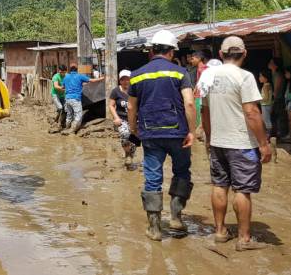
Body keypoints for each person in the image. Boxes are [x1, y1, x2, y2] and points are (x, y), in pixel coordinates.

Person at [202, 36, 272, 251]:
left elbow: (205, 111)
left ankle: (220, 231)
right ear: (244, 54)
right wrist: (264, 143)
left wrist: (209, 137)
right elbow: (251, 112)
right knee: (242, 190)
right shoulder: (245, 77)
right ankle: (244, 239)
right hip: (242, 143)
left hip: (218, 142)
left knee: (219, 186)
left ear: (221, 54)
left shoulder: (208, 76)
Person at [127, 30, 197, 241]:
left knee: (153, 178)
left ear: (151, 50)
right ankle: (176, 218)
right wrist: (192, 131)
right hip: (178, 133)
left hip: (150, 133)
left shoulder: (137, 74)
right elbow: (190, 103)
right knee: (182, 172)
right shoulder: (179, 72)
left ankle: (155, 228)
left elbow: (131, 107)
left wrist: (133, 129)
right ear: (171, 51)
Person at [60, 65, 104, 135]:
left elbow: (62, 87)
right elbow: (92, 80)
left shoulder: (66, 77)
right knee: (78, 115)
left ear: (70, 70)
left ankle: (67, 127)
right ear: (77, 70)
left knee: (69, 114)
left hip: (67, 99)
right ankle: (72, 130)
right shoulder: (79, 76)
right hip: (75, 99)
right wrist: (102, 78)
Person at [109, 69, 135, 168]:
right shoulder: (116, 91)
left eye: (127, 79)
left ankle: (129, 157)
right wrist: (116, 118)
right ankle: (128, 154)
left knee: (134, 142)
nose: (125, 81)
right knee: (125, 134)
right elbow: (111, 105)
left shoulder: (135, 91)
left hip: (134, 120)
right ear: (120, 80)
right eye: (123, 79)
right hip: (122, 119)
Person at [48, 65, 67, 133]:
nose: (63, 74)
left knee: (65, 109)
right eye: (62, 72)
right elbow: (56, 86)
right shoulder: (56, 77)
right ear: (59, 71)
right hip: (55, 94)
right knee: (60, 108)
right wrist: (63, 88)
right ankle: (58, 123)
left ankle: (58, 121)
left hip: (63, 95)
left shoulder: (66, 76)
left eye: (64, 72)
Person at [259, 70, 274, 144]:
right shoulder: (268, 85)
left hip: (265, 105)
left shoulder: (265, 86)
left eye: (261, 76)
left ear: (266, 78)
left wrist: (258, 100)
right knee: (265, 120)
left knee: (267, 121)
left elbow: (266, 98)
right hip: (267, 105)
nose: (259, 78)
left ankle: (268, 137)